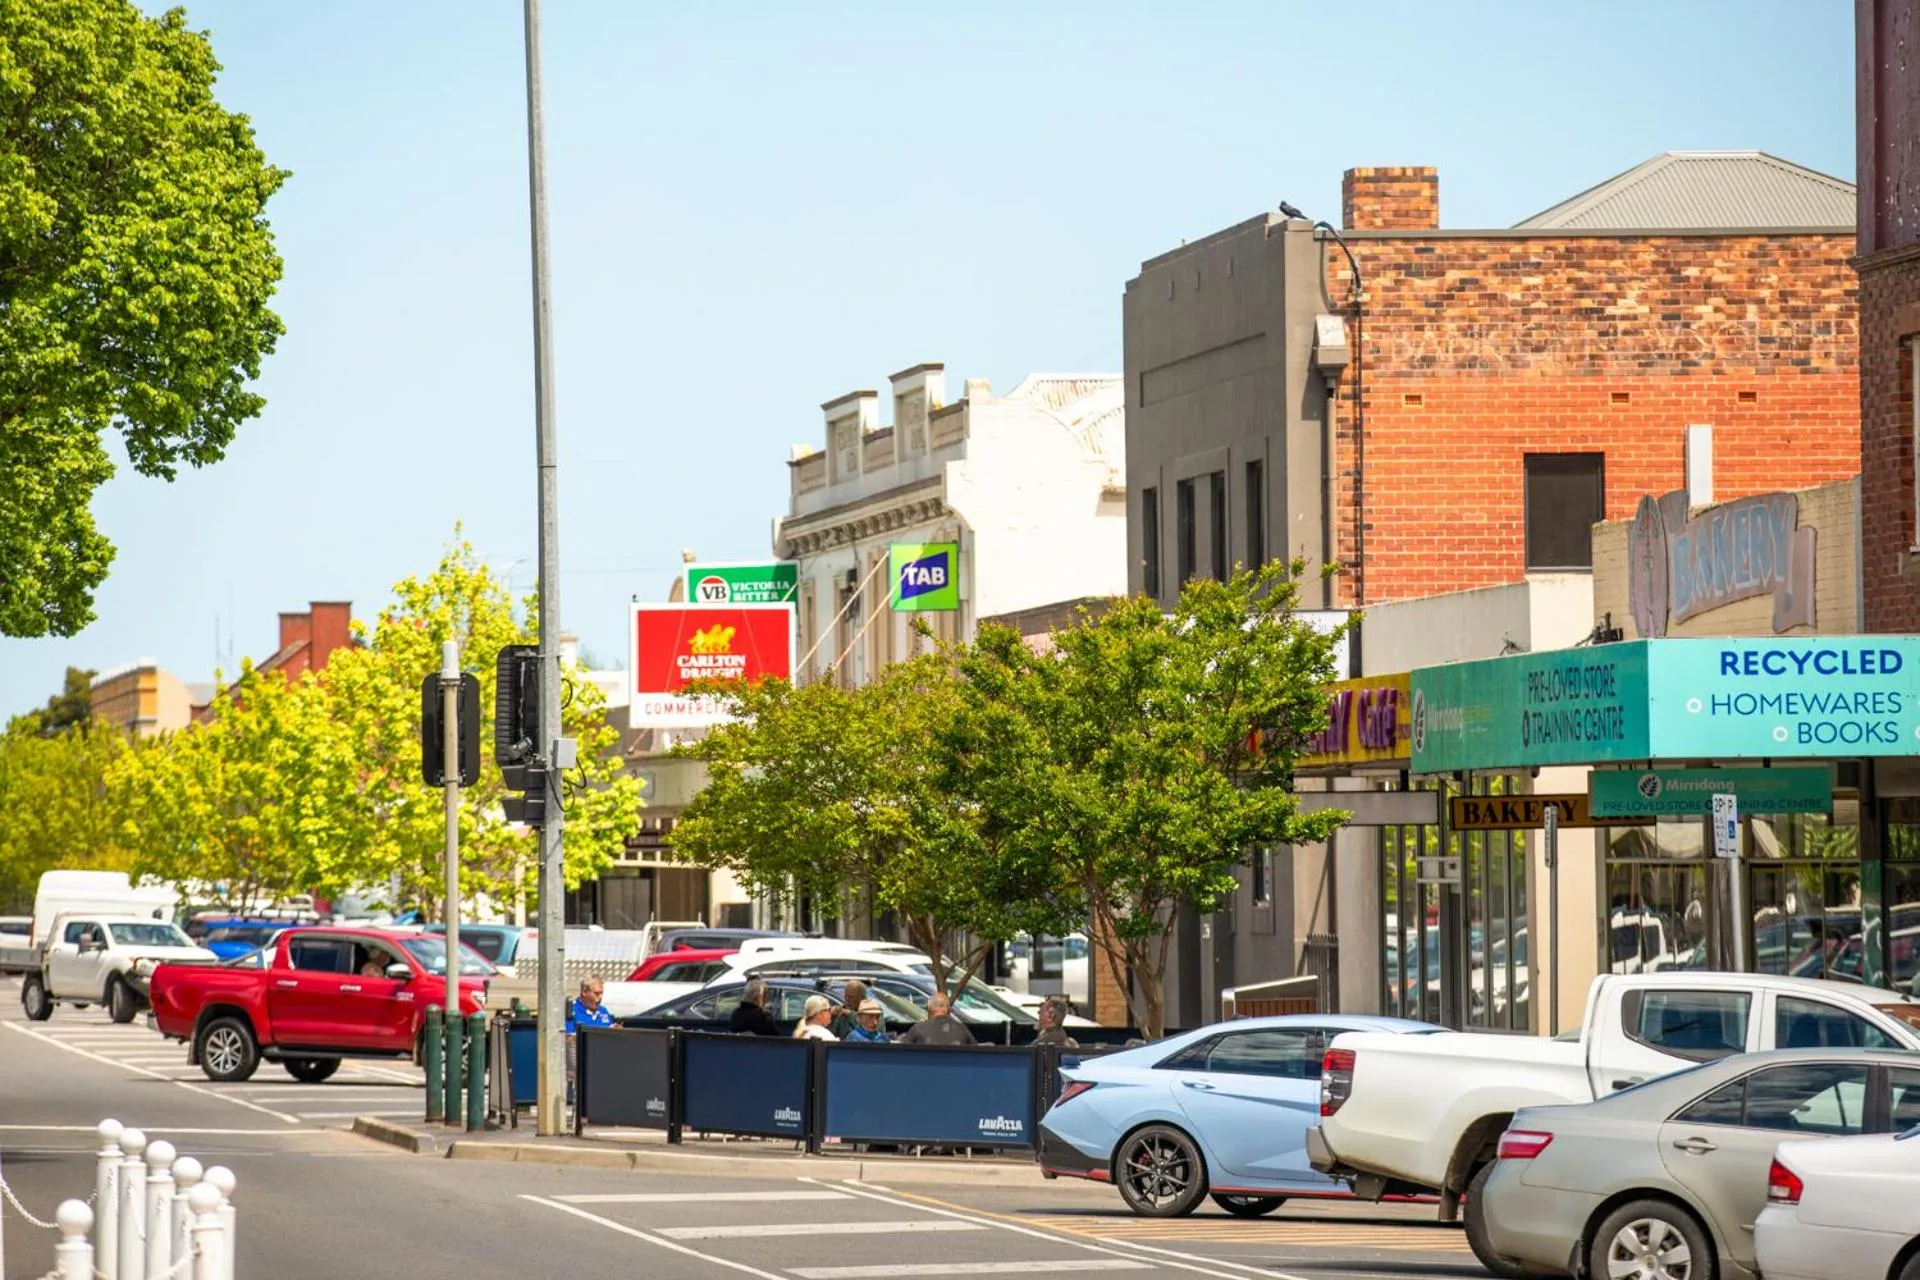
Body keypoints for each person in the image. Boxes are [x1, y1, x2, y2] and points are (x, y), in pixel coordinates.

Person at [899, 992, 974, 1046]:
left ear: (929, 1010)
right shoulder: (962, 1028)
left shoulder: (917, 1028)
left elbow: (904, 1053)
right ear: (948, 1010)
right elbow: (975, 1050)